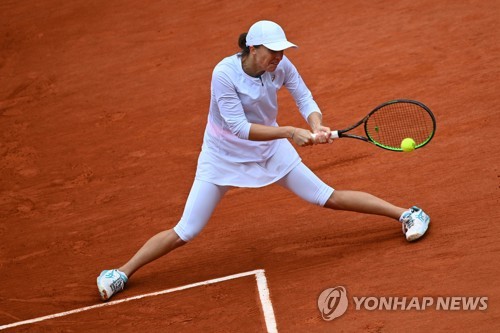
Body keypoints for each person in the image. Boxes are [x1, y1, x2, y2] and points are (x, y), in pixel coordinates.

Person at [96, 20, 430, 301]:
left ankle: (408, 214)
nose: (279, 57)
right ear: (253, 49)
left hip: (270, 150)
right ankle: (120, 273)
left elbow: (303, 96)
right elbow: (239, 128)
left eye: (282, 51)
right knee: (185, 230)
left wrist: (315, 125)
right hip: (222, 157)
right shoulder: (224, 74)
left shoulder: (281, 66)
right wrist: (288, 132)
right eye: (273, 51)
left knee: (327, 197)